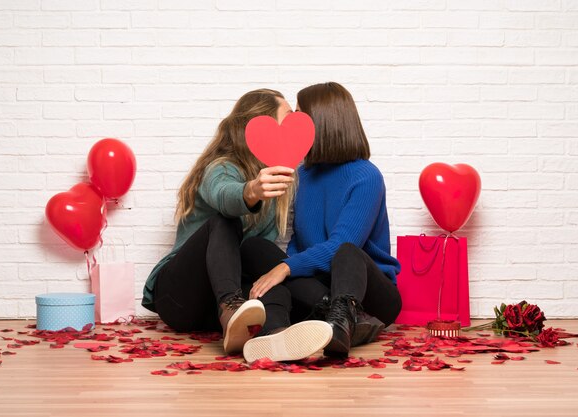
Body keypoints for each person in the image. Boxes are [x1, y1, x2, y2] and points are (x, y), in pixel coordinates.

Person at [142, 89, 332, 359]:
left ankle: (277, 336)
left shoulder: (281, 178)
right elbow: (224, 195)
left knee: (263, 261)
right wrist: (251, 191)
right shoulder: (220, 168)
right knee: (224, 222)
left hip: (216, 312)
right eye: (288, 117)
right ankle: (232, 308)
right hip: (180, 298)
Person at [243, 82, 402, 358]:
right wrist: (286, 265)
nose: (294, 125)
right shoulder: (304, 175)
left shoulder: (366, 176)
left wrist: (286, 268)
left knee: (347, 251)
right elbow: (298, 243)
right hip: (321, 289)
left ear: (323, 122)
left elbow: (341, 245)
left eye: (301, 117)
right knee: (254, 248)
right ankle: (306, 328)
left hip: (369, 294)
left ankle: (344, 319)